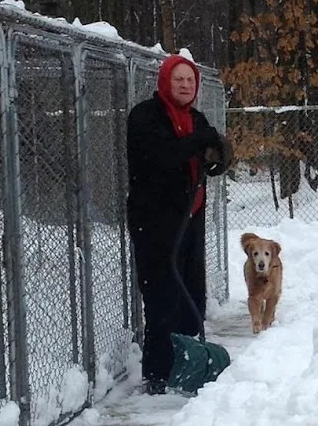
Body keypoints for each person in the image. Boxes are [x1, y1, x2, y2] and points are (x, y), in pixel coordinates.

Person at [126, 54, 230, 394]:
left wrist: (219, 158)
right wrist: (202, 143)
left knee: (191, 292)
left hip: (190, 218)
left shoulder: (195, 118)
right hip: (155, 221)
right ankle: (158, 373)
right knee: (162, 296)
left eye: (190, 81)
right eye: (179, 80)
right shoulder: (145, 117)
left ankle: (189, 364)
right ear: (165, 82)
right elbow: (165, 156)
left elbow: (207, 153)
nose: (185, 86)